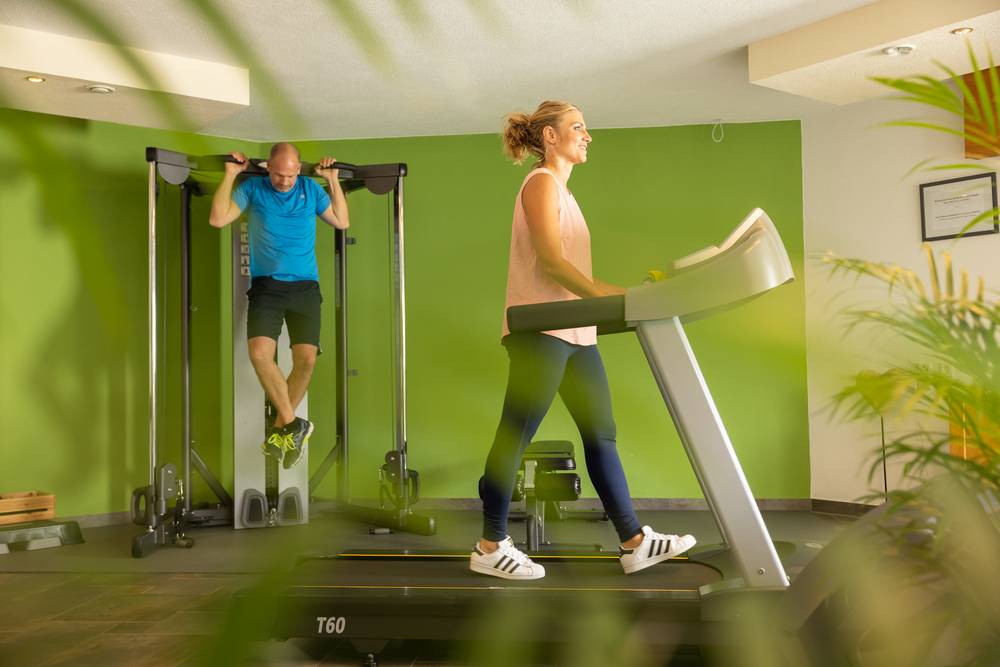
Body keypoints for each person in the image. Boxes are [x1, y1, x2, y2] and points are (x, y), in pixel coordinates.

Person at [470, 101, 696, 580]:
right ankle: (490, 545)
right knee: (516, 433)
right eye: (578, 127)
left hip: (576, 332)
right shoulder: (540, 183)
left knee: (601, 435)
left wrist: (634, 298)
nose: (588, 135)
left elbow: (579, 275)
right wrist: (624, 301)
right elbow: (553, 264)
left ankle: (634, 542)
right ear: (550, 136)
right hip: (542, 332)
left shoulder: (565, 193)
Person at [209, 142, 349, 469]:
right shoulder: (253, 189)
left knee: (306, 361)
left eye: (290, 174)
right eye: (279, 174)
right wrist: (230, 175)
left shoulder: (310, 190)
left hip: (306, 288)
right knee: (260, 354)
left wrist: (332, 180)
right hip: (267, 287)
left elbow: (342, 221)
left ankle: (280, 431)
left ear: (299, 169)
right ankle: (294, 423)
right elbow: (218, 218)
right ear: (268, 168)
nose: (285, 181)